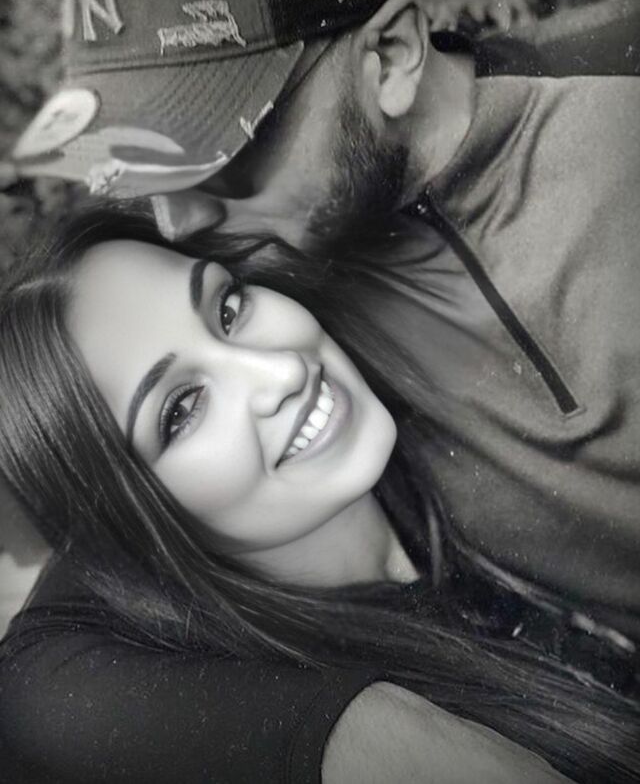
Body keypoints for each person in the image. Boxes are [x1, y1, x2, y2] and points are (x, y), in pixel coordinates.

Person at [4, 0, 640, 648]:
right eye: (143, 167)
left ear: (391, 56)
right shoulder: (254, 278)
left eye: (221, 148)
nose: (175, 223)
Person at [0, 203, 638, 784]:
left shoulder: (434, 406)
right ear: (127, 516)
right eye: (183, 408)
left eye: (228, 309)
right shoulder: (247, 702)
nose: (281, 369)